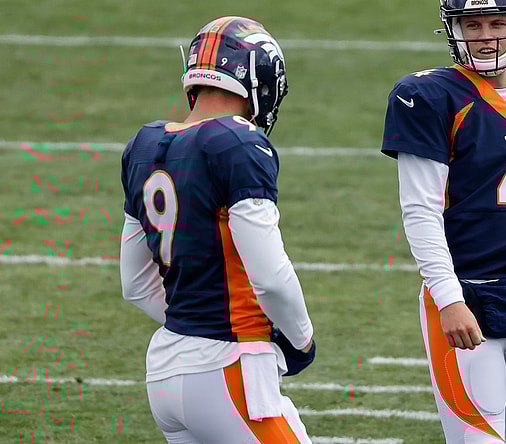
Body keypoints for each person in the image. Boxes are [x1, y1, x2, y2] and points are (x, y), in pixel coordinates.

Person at [381, 1, 506, 442]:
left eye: (498, 22)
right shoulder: (431, 97)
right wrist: (448, 299)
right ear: (452, 29)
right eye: (471, 24)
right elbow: (420, 211)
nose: (486, 35)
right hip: (468, 293)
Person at [119, 16, 315, 443]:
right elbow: (270, 277)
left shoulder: (144, 144)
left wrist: (192, 319)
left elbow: (135, 285)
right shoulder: (237, 141)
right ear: (260, 79)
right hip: (230, 367)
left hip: (166, 371)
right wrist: (301, 340)